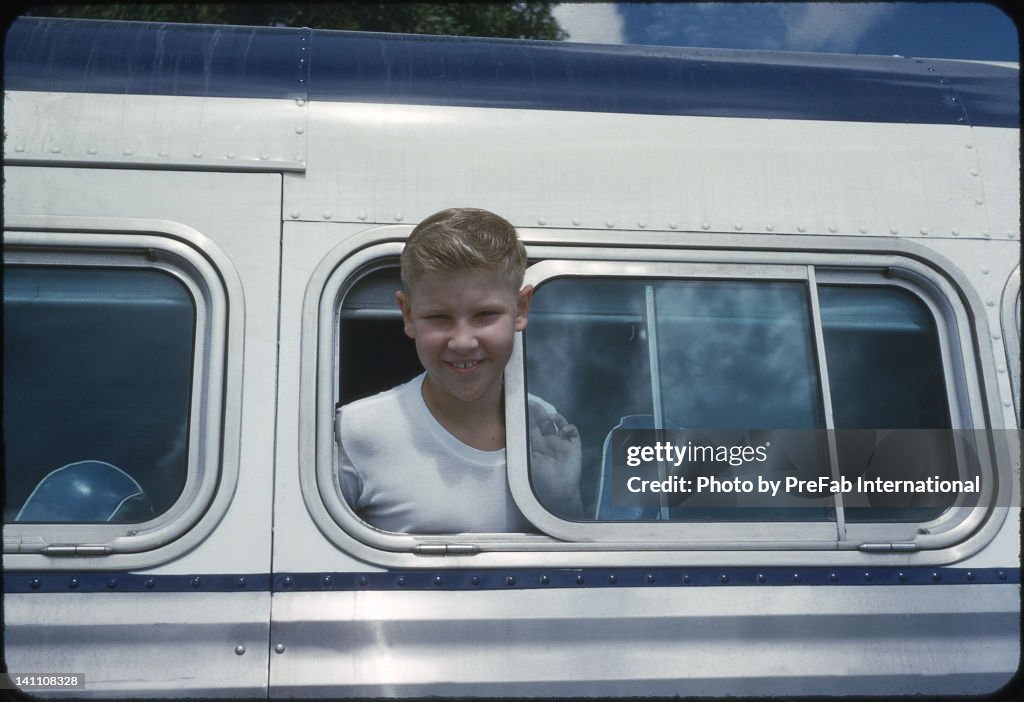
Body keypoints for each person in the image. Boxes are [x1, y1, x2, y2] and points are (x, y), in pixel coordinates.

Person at [335, 208, 582, 533]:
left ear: (520, 309)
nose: (463, 342)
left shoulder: (542, 422)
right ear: (407, 315)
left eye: (484, 314)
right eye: (439, 317)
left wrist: (565, 500)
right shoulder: (357, 432)